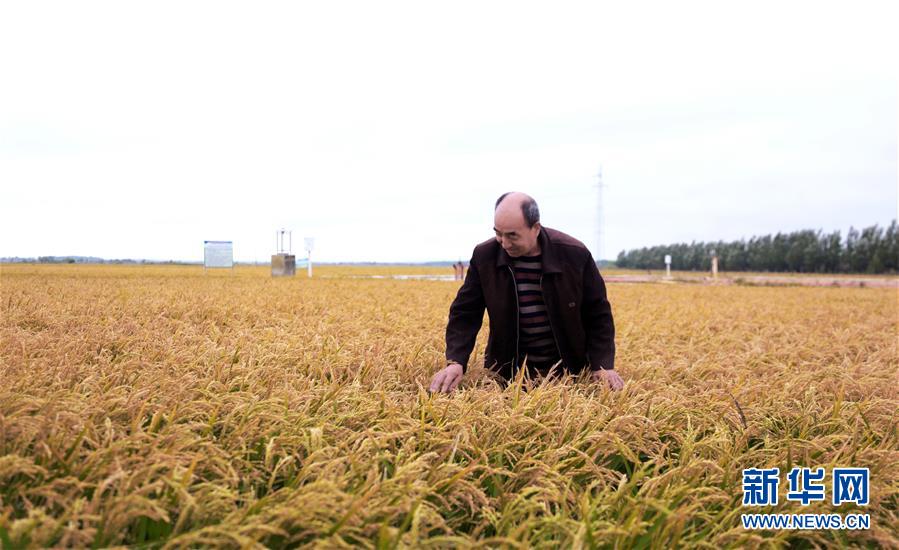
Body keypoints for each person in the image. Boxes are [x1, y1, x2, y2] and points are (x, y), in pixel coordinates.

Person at [429, 192, 623, 393]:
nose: (504, 243)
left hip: (569, 373)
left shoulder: (574, 254)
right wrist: (456, 361)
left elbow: (597, 313)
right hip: (507, 375)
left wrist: (602, 365)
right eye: (498, 233)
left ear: (535, 228)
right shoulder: (485, 256)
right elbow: (465, 313)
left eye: (512, 235)